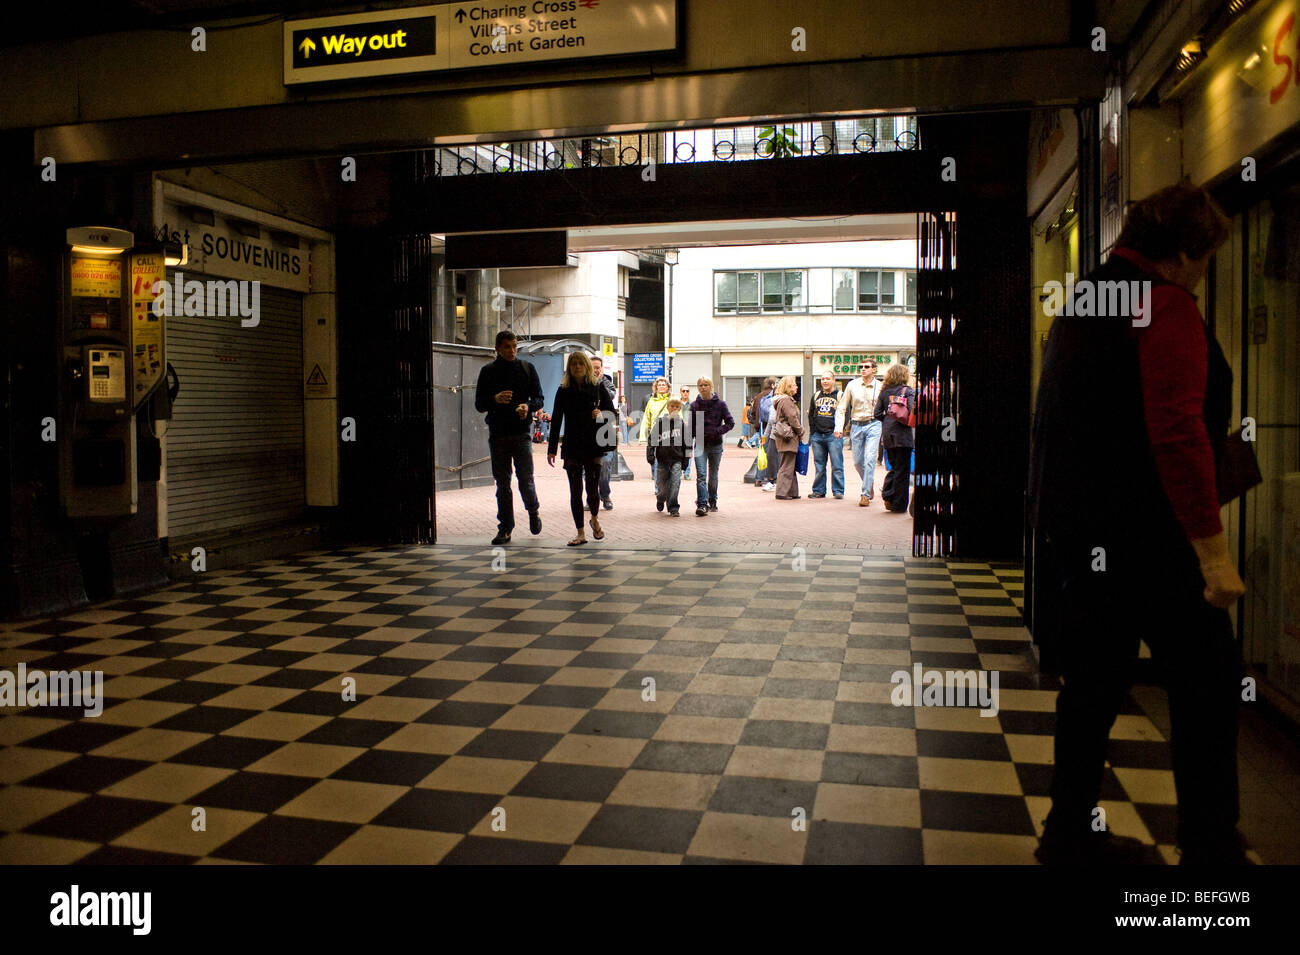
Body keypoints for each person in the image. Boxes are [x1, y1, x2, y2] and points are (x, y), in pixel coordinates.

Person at [1028, 183, 1247, 866]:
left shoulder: (1086, 297)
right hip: (1156, 536)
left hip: (1085, 532)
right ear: (1184, 251)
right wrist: (1213, 556)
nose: (1203, 272)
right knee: (1208, 685)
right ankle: (1211, 847)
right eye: (1205, 258)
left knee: (1091, 688)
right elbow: (1178, 432)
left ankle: (1067, 833)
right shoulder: (1164, 302)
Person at [474, 330, 544, 545]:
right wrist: (494, 399)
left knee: (526, 480)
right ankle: (505, 527)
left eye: (514, 346)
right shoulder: (487, 372)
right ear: (497, 349)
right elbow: (479, 404)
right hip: (498, 434)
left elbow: (539, 398)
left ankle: (533, 510)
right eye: (507, 347)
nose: (512, 350)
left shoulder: (527, 368)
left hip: (522, 433)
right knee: (502, 484)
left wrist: (528, 407)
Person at [547, 351, 616, 546]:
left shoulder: (597, 386)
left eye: (580, 363)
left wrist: (600, 414)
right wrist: (552, 448)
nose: (577, 367)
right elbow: (557, 418)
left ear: (586, 366)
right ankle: (580, 533)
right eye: (573, 364)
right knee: (575, 490)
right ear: (569, 368)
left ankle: (594, 519)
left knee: (592, 489)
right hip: (572, 445)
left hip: (593, 444)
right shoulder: (563, 390)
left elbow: (611, 412)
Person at [838, 361, 882, 507]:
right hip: (856, 425)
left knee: (870, 459)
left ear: (873, 370)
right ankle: (869, 483)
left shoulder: (880, 387)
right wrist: (838, 427)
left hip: (874, 424)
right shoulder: (852, 385)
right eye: (861, 367)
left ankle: (865, 495)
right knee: (857, 462)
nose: (863, 369)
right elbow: (842, 407)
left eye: (866, 367)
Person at [689, 377, 734, 516]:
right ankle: (702, 504)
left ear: (711, 386)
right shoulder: (694, 405)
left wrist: (717, 431)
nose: (703, 387)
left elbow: (730, 423)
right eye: (700, 385)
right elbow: (690, 427)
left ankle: (712, 500)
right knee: (701, 475)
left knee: (713, 475)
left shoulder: (720, 404)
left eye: (706, 385)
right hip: (700, 445)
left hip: (715, 445)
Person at [873, 363, 913, 513]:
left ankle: (888, 494)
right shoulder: (907, 391)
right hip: (903, 434)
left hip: (888, 435)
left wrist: (888, 421)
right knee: (903, 470)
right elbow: (911, 410)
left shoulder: (884, 392)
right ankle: (898, 504)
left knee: (894, 467)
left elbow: (877, 414)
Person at [647, 397, 690, 516]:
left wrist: (686, 461)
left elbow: (688, 444)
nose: (674, 409)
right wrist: (650, 455)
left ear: (680, 409)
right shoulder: (660, 423)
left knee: (675, 484)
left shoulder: (682, 425)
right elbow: (651, 440)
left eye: (677, 407)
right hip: (662, 460)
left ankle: (673, 507)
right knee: (661, 487)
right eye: (672, 406)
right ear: (668, 408)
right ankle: (661, 499)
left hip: (677, 459)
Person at [806, 371, 845, 499]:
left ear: (833, 380)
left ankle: (838, 491)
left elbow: (846, 414)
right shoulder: (816, 396)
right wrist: (812, 433)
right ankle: (818, 491)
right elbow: (811, 414)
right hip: (818, 436)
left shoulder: (840, 396)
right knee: (819, 465)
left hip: (833, 436)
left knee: (837, 465)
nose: (825, 381)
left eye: (827, 379)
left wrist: (840, 429)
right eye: (822, 379)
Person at [769, 375, 804, 499]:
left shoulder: (781, 400)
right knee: (787, 465)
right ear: (788, 387)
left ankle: (792, 492)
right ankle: (782, 492)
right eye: (794, 384)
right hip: (788, 437)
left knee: (790, 465)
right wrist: (801, 431)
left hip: (784, 436)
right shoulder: (786, 401)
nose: (796, 386)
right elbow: (792, 418)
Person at [591, 356, 618, 510]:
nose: (596, 370)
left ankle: (605, 494)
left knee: (605, 464)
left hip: (605, 429)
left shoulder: (606, 382)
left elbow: (610, 395)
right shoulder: (582, 383)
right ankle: (591, 496)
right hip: (588, 430)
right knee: (589, 467)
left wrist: (599, 382)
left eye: (598, 367)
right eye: (593, 367)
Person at [638, 377, 671, 478]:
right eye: (659, 385)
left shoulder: (672, 400)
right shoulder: (651, 402)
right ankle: (658, 489)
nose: (661, 387)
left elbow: (680, 417)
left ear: (667, 387)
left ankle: (667, 485)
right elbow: (646, 420)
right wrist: (643, 437)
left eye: (663, 385)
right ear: (656, 388)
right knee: (656, 461)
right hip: (655, 435)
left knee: (669, 462)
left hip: (670, 435)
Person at [751, 376, 779, 491]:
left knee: (762, 453)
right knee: (773, 454)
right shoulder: (773, 396)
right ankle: (772, 478)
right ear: (773, 385)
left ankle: (759, 478)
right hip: (772, 426)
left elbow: (753, 412)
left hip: (762, 427)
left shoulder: (759, 396)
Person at [678, 386, 693, 478]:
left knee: (688, 452)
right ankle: (678, 470)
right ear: (680, 392)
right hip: (678, 431)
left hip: (688, 431)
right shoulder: (676, 403)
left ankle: (687, 472)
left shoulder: (692, 404)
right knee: (678, 451)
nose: (685, 392)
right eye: (683, 391)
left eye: (687, 391)